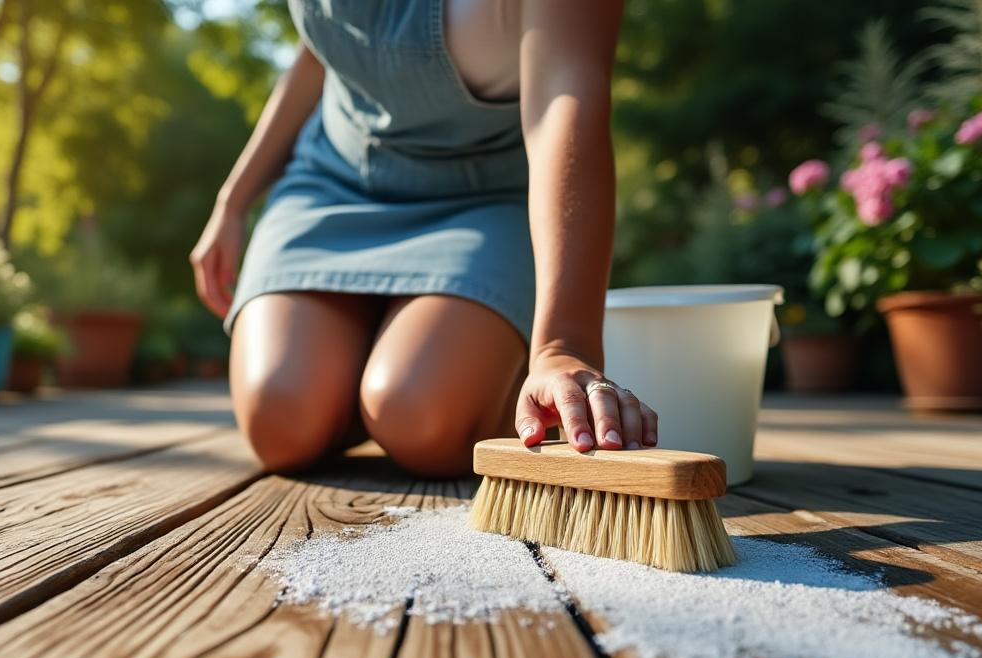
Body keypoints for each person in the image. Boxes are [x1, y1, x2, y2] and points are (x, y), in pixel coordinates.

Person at [190, 0, 656, 476]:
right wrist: (233, 201)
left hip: (482, 203)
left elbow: (567, 95)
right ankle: (371, 364)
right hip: (331, 184)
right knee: (281, 420)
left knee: (422, 419)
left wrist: (563, 346)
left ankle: (467, 368)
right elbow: (323, 48)